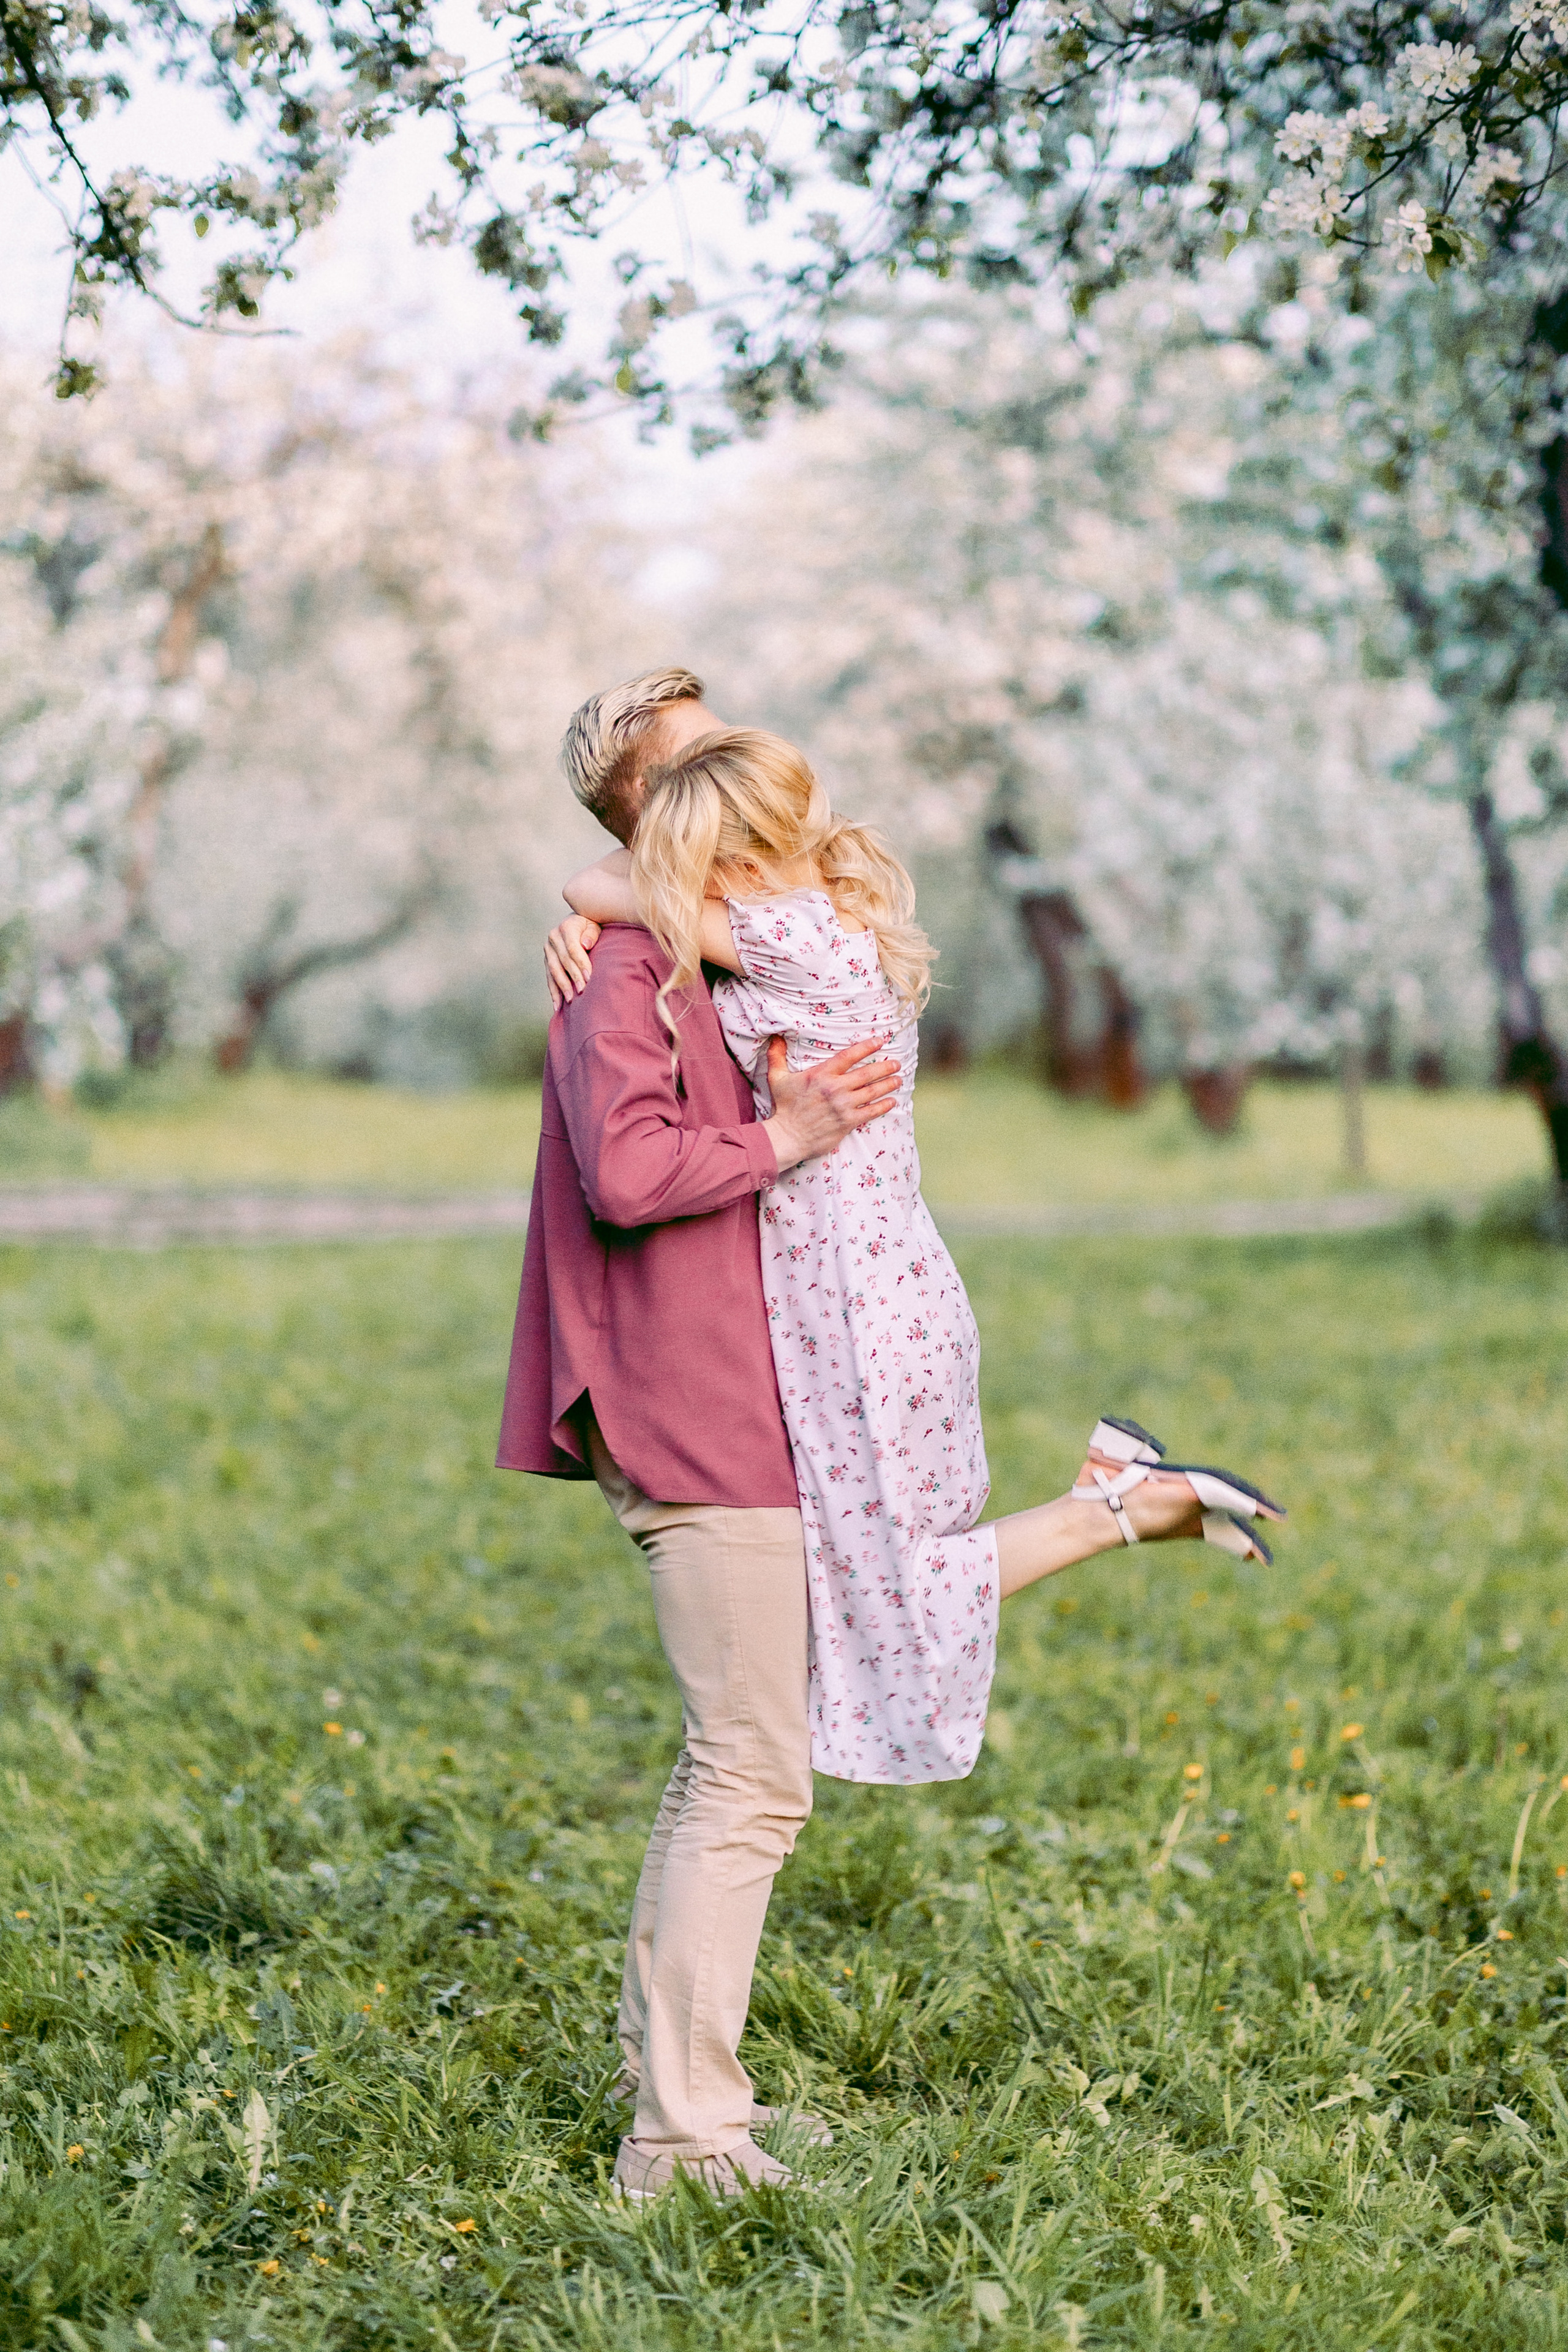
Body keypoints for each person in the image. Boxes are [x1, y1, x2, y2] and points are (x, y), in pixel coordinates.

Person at [506, 668, 1282, 2201]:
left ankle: (688, 2094)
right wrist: (779, 1120)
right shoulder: (628, 970)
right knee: (748, 1772)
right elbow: (629, 1176)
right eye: (695, 768)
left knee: (745, 1754)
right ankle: (679, 2139)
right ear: (652, 813)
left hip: (781, 1385)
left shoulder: (697, 945)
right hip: (701, 1409)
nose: (741, 788)